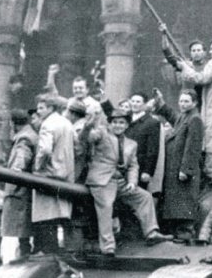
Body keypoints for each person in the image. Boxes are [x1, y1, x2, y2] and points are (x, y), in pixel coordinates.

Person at [85, 110, 172, 255]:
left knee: (145, 197)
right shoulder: (102, 135)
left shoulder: (132, 144)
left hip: (121, 182)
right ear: (109, 124)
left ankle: (151, 233)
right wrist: (88, 126)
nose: (118, 125)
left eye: (121, 123)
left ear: (126, 126)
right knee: (106, 207)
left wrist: (132, 182)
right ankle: (108, 246)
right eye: (114, 122)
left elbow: (133, 166)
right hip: (102, 181)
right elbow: (88, 138)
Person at [168, 34, 212, 185]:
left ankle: (210, 175)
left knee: (211, 139)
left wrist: (185, 68)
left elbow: (201, 79)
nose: (210, 52)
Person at [156, 89, 205, 242]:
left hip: (183, 169)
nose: (182, 104)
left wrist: (186, 170)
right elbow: (174, 118)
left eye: (186, 101)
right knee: (177, 201)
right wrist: (162, 104)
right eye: (181, 101)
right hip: (175, 167)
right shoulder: (185, 116)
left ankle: (186, 233)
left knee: (185, 201)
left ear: (194, 103)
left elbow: (193, 147)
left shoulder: (195, 119)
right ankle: (179, 232)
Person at [32, 94, 75, 253]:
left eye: (41, 108)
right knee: (59, 215)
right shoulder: (67, 123)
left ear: (51, 108)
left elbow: (45, 150)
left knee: (45, 217)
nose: (38, 111)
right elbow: (77, 146)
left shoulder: (47, 124)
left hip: (48, 175)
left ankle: (48, 251)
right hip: (65, 175)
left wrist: (38, 167)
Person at [0, 109, 39, 263]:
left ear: (13, 123)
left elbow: (21, 159)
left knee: (21, 230)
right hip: (23, 192)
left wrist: (16, 170)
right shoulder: (30, 134)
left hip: (20, 192)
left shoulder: (24, 138)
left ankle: (24, 257)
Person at [126, 92, 161, 191]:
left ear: (145, 104)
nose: (134, 104)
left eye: (138, 102)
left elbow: (153, 149)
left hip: (140, 167)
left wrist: (147, 171)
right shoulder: (126, 119)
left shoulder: (152, 122)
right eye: (133, 101)